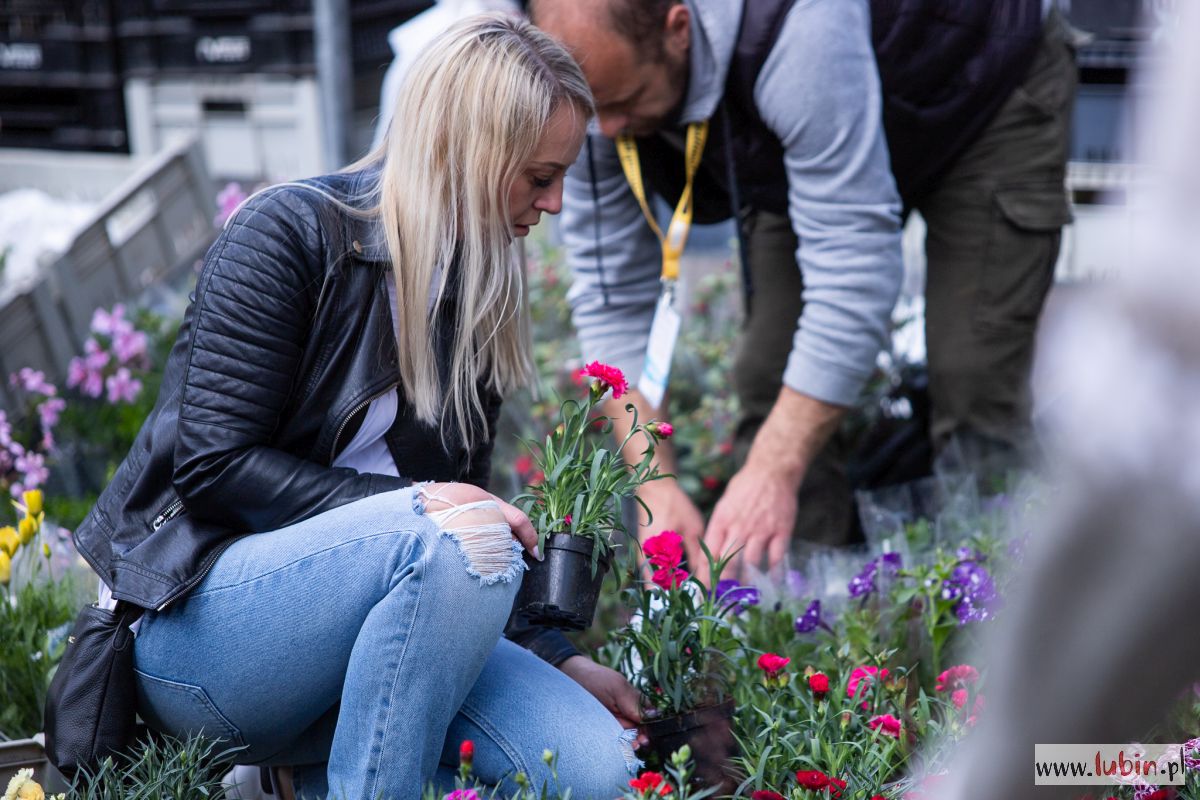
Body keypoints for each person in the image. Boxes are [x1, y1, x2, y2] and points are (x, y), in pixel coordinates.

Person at [71, 15, 641, 800]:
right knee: (457, 529)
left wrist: (559, 657)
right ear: (469, 154)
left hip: (387, 632)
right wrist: (420, 503)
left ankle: (304, 776)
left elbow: (458, 566)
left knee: (599, 772)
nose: (556, 202)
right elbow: (212, 467)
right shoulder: (288, 234)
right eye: (539, 176)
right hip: (193, 630)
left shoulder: (472, 293)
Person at [530, 0, 1076, 579]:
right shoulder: (595, 97)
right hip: (808, 113)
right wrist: (653, 484)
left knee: (973, 382)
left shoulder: (794, 26)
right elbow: (611, 293)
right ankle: (798, 616)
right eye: (596, 110)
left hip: (981, 83)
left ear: (679, 29)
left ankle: (1001, 605)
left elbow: (854, 271)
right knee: (772, 379)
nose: (609, 128)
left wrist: (775, 468)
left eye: (627, 101)